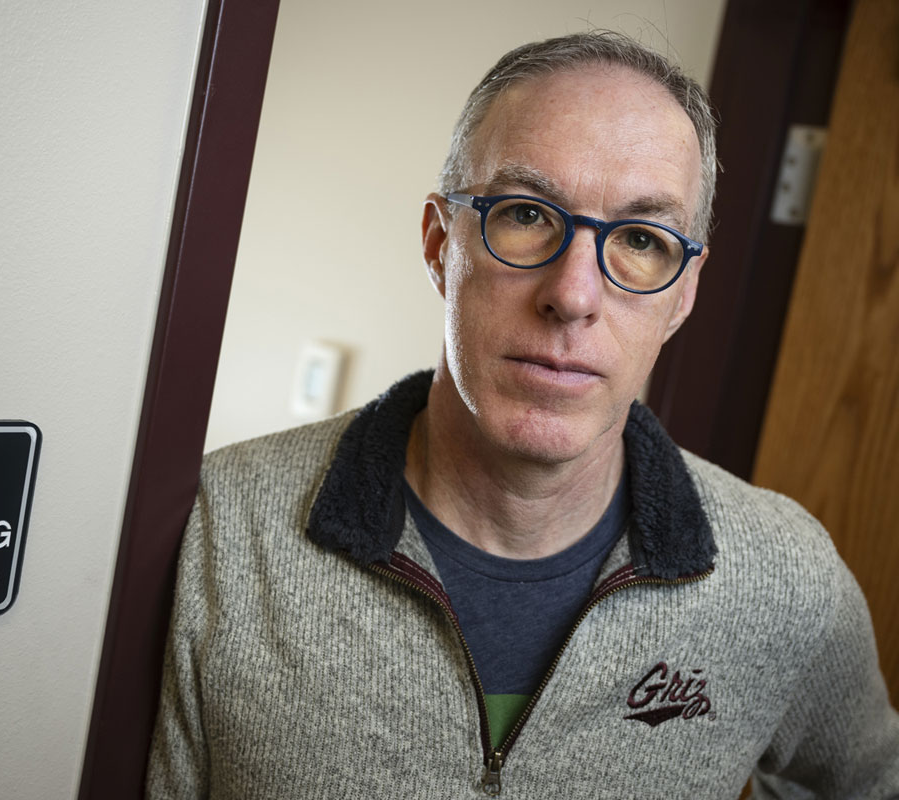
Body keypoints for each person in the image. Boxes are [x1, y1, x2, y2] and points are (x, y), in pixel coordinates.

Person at [147, 32, 899, 798]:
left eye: (641, 238)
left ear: (683, 293)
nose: (572, 295)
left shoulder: (787, 583)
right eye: (527, 215)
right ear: (442, 245)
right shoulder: (223, 530)